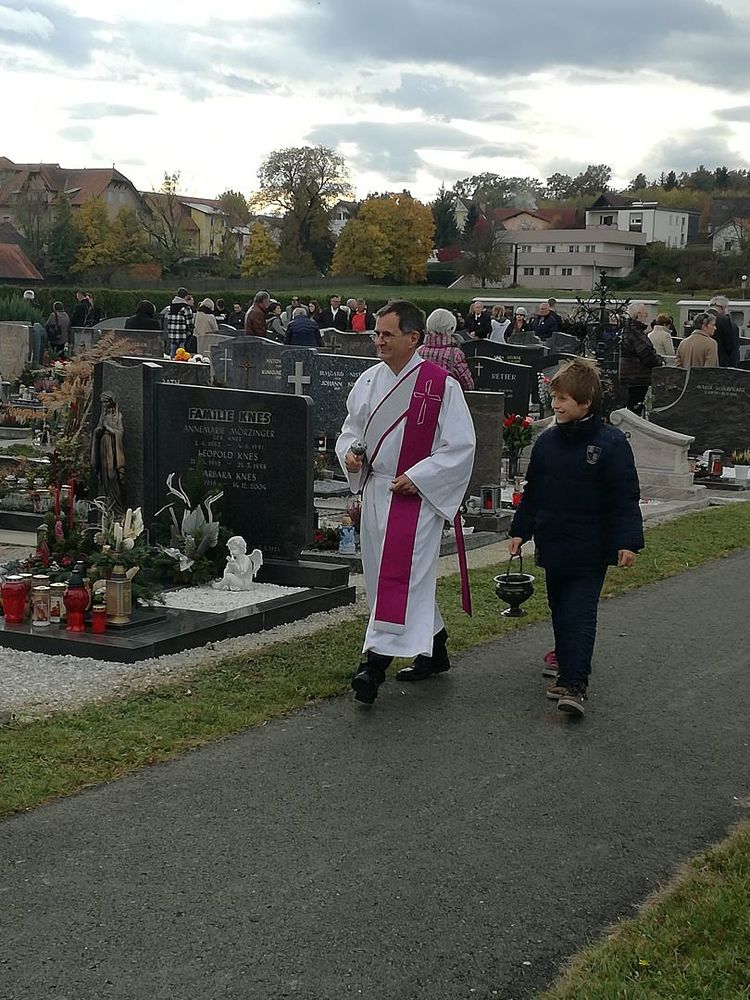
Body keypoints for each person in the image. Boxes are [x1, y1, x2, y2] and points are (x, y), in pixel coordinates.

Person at [336, 300, 476, 705]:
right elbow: (350, 431)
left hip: (415, 497)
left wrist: (420, 477)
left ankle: (372, 667)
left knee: (399, 578)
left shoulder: (440, 386)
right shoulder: (368, 381)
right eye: (376, 334)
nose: (379, 341)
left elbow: (460, 446)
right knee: (386, 577)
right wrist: (351, 456)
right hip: (377, 489)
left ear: (413, 338)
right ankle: (437, 650)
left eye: (387, 334)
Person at [508, 359, 643, 717]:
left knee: (579, 613)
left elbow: (624, 495)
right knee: (559, 610)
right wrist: (520, 531)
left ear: (585, 403)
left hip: (591, 547)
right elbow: (534, 492)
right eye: (554, 398)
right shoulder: (547, 442)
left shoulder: (611, 443)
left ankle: (574, 684)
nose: (555, 405)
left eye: (563, 399)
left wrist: (627, 541)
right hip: (554, 541)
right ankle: (566, 669)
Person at [619, 301, 663, 414]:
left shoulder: (626, 329)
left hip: (627, 376)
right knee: (635, 410)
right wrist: (660, 361)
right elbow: (647, 355)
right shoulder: (636, 332)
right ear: (638, 315)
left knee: (629, 407)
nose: (647, 317)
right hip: (637, 377)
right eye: (645, 314)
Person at [419, 308, 474, 391]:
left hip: (422, 395)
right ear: (450, 329)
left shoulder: (419, 351)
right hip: (446, 396)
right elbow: (468, 385)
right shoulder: (454, 354)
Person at [91, 391, 127, 515]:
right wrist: (99, 431)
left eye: (106, 402)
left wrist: (109, 429)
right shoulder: (103, 416)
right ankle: (109, 506)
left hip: (113, 448)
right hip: (103, 446)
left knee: (112, 475)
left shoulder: (118, 416)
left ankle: (118, 508)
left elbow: (120, 432)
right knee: (105, 476)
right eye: (102, 402)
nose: (104, 404)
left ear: (112, 402)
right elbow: (97, 430)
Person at [707, 295, 740, 367]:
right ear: (723, 307)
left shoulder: (699, 318)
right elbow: (730, 344)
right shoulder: (724, 320)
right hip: (721, 361)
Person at [166, 287, 195, 357]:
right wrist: (191, 330)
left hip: (172, 335)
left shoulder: (170, 307)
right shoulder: (186, 308)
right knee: (183, 355)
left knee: (173, 354)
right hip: (183, 335)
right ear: (186, 296)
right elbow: (189, 323)